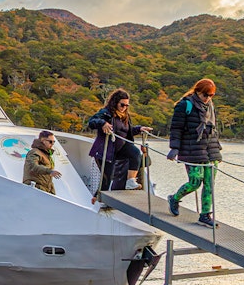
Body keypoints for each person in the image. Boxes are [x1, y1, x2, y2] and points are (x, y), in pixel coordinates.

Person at [166, 78, 222, 228]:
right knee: (195, 182)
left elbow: (213, 128)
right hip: (192, 149)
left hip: (210, 149)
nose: (208, 98)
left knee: (209, 184)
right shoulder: (185, 105)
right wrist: (174, 148)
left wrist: (217, 148)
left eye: (211, 95)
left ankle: (204, 215)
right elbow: (176, 128)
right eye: (206, 95)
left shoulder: (209, 105)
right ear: (198, 91)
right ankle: (175, 198)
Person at [88, 89, 153, 190]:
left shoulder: (125, 116)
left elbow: (128, 131)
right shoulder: (106, 113)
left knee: (135, 153)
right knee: (106, 179)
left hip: (121, 148)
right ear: (115, 103)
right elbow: (92, 122)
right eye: (122, 105)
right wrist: (103, 123)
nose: (124, 108)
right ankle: (98, 200)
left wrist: (140, 129)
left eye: (127, 105)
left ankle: (130, 181)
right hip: (107, 150)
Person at [22, 130, 62, 195]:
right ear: (43, 140)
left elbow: (47, 178)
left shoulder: (46, 155)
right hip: (35, 189)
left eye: (54, 142)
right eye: (50, 141)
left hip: (44, 190)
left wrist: (52, 191)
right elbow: (33, 166)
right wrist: (50, 171)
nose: (52, 144)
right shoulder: (34, 152)